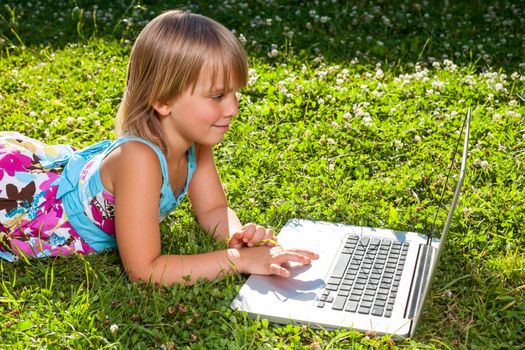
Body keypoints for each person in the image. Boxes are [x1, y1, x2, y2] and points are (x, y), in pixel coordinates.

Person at [0, 10, 318, 284]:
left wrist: (236, 238)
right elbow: (145, 270)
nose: (233, 108)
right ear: (163, 100)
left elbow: (212, 210)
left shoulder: (197, 142)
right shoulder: (140, 160)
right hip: (23, 201)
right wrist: (239, 260)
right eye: (218, 95)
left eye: (235, 93)